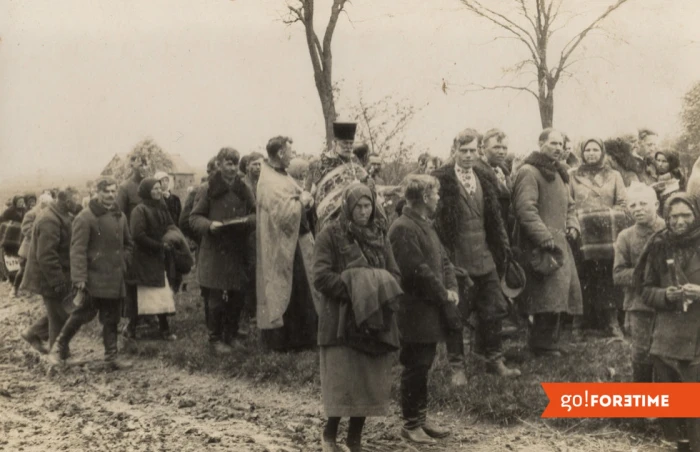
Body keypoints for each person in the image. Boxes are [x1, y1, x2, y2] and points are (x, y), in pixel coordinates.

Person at [313, 182, 401, 452]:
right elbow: (321, 276)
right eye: (358, 207)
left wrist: (372, 290)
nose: (364, 212)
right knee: (342, 378)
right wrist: (356, 289)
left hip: (373, 319)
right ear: (347, 208)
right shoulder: (330, 235)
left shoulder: (380, 235)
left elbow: (394, 275)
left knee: (368, 379)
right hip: (340, 318)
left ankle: (355, 438)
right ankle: (329, 434)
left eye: (368, 206)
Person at [433, 128, 520, 382]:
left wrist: (501, 249)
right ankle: (457, 366)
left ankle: (494, 360)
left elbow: (494, 219)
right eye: (464, 150)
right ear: (455, 150)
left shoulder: (484, 177)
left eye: (473, 150)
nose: (469, 155)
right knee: (455, 315)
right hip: (457, 261)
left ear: (479, 150)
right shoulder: (442, 179)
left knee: (494, 310)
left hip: (485, 257)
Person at [389, 174, 459, 445]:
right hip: (414, 311)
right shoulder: (402, 228)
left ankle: (420, 417)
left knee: (424, 364)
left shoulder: (424, 224)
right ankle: (410, 424)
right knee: (415, 366)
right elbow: (417, 271)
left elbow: (444, 261)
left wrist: (450, 288)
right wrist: (444, 294)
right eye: (436, 194)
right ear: (425, 198)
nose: (439, 198)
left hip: (430, 307)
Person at [48, 177, 134, 368]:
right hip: (93, 279)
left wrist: (124, 261)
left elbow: (129, 244)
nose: (111, 195)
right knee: (81, 314)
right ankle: (58, 349)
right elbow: (77, 250)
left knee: (112, 317)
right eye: (106, 191)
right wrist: (79, 278)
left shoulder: (121, 216)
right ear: (97, 192)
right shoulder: (85, 217)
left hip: (114, 278)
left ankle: (111, 357)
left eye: (113, 191)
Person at [637, 193, 700, 451]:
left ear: (696, 215)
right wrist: (665, 295)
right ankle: (674, 443)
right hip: (665, 337)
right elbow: (645, 289)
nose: (679, 221)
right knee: (670, 404)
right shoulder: (659, 244)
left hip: (696, 338)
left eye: (686, 215)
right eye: (673, 216)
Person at [512, 128, 583, 357]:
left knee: (559, 295)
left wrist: (572, 225)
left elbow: (570, 205)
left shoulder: (560, 173)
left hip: (560, 242)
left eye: (561, 144)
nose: (558, 148)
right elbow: (525, 210)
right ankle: (540, 344)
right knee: (543, 295)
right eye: (553, 143)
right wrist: (544, 238)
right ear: (541, 143)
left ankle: (550, 341)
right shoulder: (529, 171)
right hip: (540, 245)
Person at [190, 147, 256, 353]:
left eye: (236, 164)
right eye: (228, 163)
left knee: (237, 296)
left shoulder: (243, 187)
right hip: (215, 249)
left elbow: (255, 212)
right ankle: (215, 339)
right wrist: (209, 225)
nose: (233, 168)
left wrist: (247, 221)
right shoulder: (207, 188)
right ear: (219, 164)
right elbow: (194, 218)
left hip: (237, 248)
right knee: (216, 298)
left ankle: (232, 334)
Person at [256, 137, 318, 351]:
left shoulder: (282, 175)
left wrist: (304, 200)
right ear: (280, 153)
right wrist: (302, 201)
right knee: (290, 290)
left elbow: (294, 198)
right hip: (281, 245)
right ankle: (289, 342)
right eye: (290, 152)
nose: (292, 156)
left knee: (304, 288)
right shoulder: (268, 181)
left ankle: (307, 337)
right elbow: (282, 214)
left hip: (297, 242)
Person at [568, 137, 628, 337]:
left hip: (607, 236)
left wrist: (604, 217)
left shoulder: (614, 175)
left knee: (606, 277)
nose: (591, 153)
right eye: (587, 150)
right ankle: (578, 323)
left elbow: (622, 203)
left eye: (595, 150)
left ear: (602, 152)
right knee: (582, 276)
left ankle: (611, 322)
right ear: (582, 153)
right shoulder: (572, 175)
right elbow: (569, 204)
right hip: (582, 236)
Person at [20, 187, 82, 355]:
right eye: (77, 200)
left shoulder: (58, 215)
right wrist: (58, 282)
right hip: (48, 277)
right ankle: (59, 355)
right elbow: (46, 255)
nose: (79, 204)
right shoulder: (50, 220)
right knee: (60, 315)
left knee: (60, 312)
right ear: (67, 202)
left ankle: (33, 333)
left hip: (52, 275)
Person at [613, 183, 664, 383]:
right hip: (639, 305)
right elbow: (618, 274)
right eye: (633, 205)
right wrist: (645, 274)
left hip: (669, 304)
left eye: (643, 204)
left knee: (667, 356)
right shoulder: (626, 236)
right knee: (642, 353)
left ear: (656, 204)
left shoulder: (669, 230)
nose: (638, 209)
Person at [125, 178, 177, 341]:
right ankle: (131, 329)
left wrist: (172, 238)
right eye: (154, 189)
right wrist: (159, 246)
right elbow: (138, 235)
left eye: (159, 188)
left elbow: (170, 225)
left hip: (158, 257)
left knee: (160, 292)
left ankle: (164, 329)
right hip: (143, 257)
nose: (157, 192)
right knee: (143, 293)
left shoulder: (162, 208)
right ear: (146, 191)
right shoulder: (139, 210)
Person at [14, 193, 54, 298]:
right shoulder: (31, 214)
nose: (49, 206)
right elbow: (25, 228)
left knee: (37, 269)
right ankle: (15, 289)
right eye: (47, 204)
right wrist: (39, 235)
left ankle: (32, 290)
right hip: (28, 247)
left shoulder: (48, 213)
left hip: (39, 247)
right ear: (42, 203)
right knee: (23, 269)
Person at [117, 154, 148, 223]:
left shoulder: (150, 185)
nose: (144, 168)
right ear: (133, 167)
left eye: (145, 165)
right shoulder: (124, 187)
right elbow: (119, 215)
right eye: (141, 165)